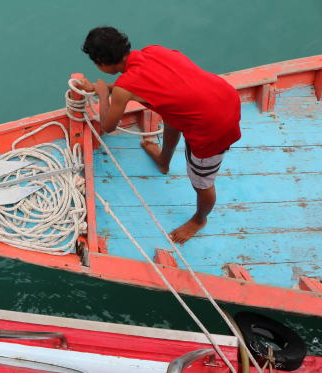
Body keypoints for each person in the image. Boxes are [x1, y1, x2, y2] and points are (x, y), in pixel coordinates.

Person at [75, 27, 241, 244]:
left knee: (202, 183)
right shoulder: (154, 51)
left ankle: (199, 220)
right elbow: (134, 84)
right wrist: (101, 89)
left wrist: (104, 94)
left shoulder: (125, 87)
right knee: (170, 114)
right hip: (224, 96)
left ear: (101, 62)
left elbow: (107, 125)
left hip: (212, 126)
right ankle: (164, 161)